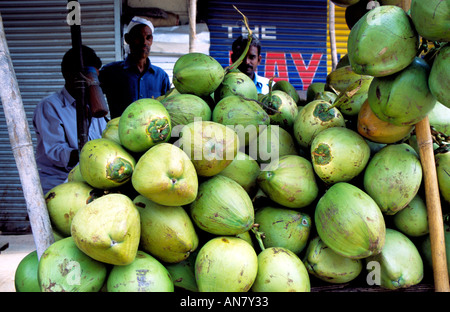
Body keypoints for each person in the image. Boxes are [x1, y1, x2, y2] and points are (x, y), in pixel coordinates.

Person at [33, 45, 107, 194]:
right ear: (70, 76)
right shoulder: (50, 106)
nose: (92, 83)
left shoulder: (94, 105)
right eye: (89, 78)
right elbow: (56, 152)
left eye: (95, 78)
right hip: (59, 182)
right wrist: (91, 155)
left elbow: (103, 138)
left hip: (88, 179)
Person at [99, 16, 171, 119]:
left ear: (152, 40)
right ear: (127, 39)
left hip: (152, 133)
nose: (144, 42)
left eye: (148, 38)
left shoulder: (161, 76)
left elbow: (167, 109)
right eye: (138, 37)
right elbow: (91, 101)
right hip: (121, 133)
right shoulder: (110, 72)